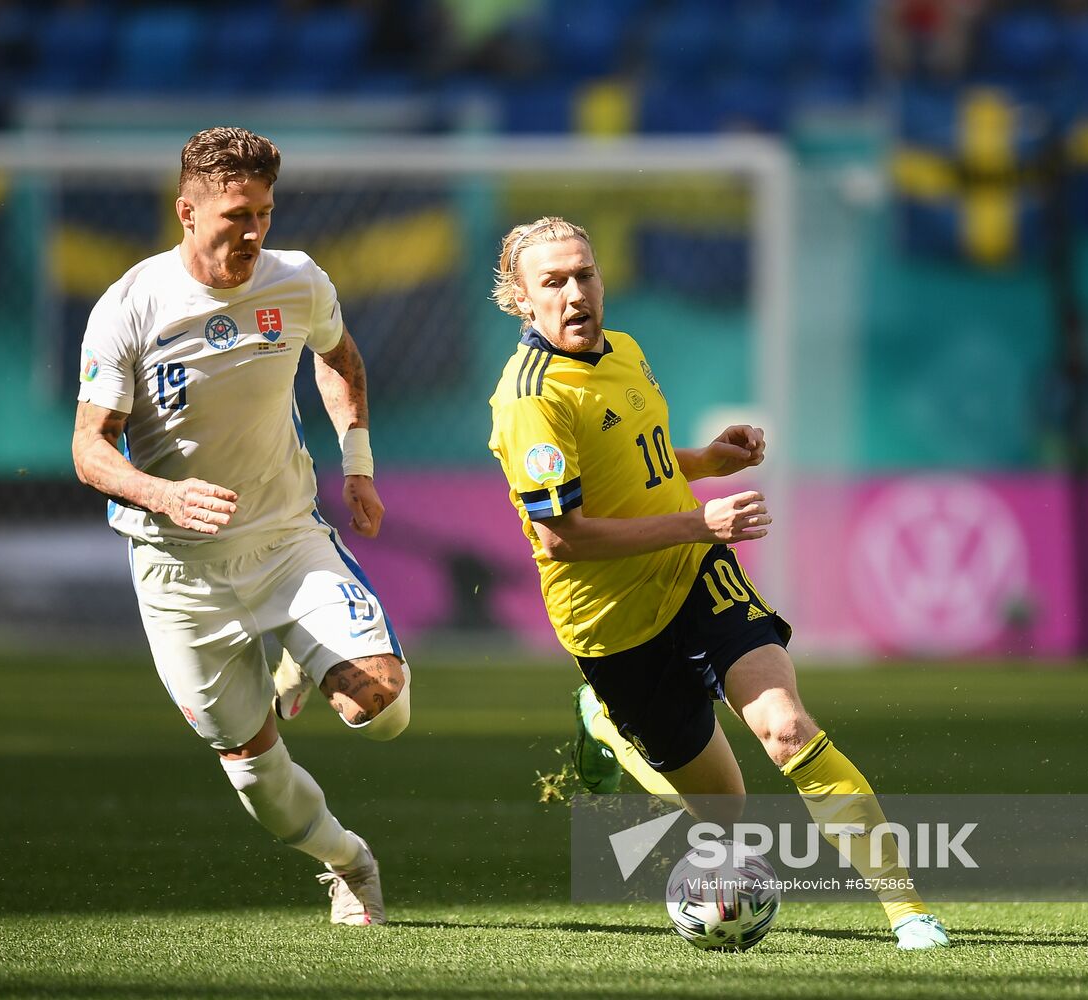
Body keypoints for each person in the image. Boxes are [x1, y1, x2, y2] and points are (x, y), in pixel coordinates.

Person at [486, 217, 949, 950]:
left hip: (695, 573)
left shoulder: (626, 350)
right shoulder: (530, 399)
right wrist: (702, 523)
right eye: (554, 282)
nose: (576, 293)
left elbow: (632, 456)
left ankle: (909, 911)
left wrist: (704, 460)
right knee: (725, 813)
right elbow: (563, 536)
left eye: (586, 274)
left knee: (786, 729)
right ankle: (605, 722)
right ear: (520, 298)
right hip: (613, 624)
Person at [72, 126, 409, 926]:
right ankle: (347, 863)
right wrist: (160, 493)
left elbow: (341, 358)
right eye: (234, 216)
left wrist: (356, 464)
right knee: (254, 771)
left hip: (285, 539)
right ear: (186, 211)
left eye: (263, 212)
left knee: (384, 709)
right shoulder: (131, 305)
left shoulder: (298, 282)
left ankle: (301, 663)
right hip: (178, 570)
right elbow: (90, 448)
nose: (252, 232)